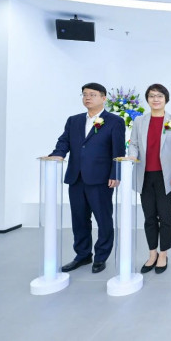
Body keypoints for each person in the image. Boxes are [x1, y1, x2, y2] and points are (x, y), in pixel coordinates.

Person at [49, 82, 125, 273]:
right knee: (79, 219)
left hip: (101, 179)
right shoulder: (73, 120)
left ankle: (101, 257)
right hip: (76, 178)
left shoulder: (114, 121)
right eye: (84, 94)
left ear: (103, 98)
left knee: (103, 219)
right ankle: (82, 255)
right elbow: (64, 141)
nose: (87, 98)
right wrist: (57, 154)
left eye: (92, 94)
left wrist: (115, 173)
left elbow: (118, 150)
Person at [128, 84, 171, 274]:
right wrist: (131, 156)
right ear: (147, 99)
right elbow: (134, 143)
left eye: (159, 96)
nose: (156, 99)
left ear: (166, 99)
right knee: (149, 217)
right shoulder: (139, 121)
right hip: (144, 175)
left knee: (165, 217)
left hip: (166, 176)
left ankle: (163, 254)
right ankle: (152, 253)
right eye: (152, 96)